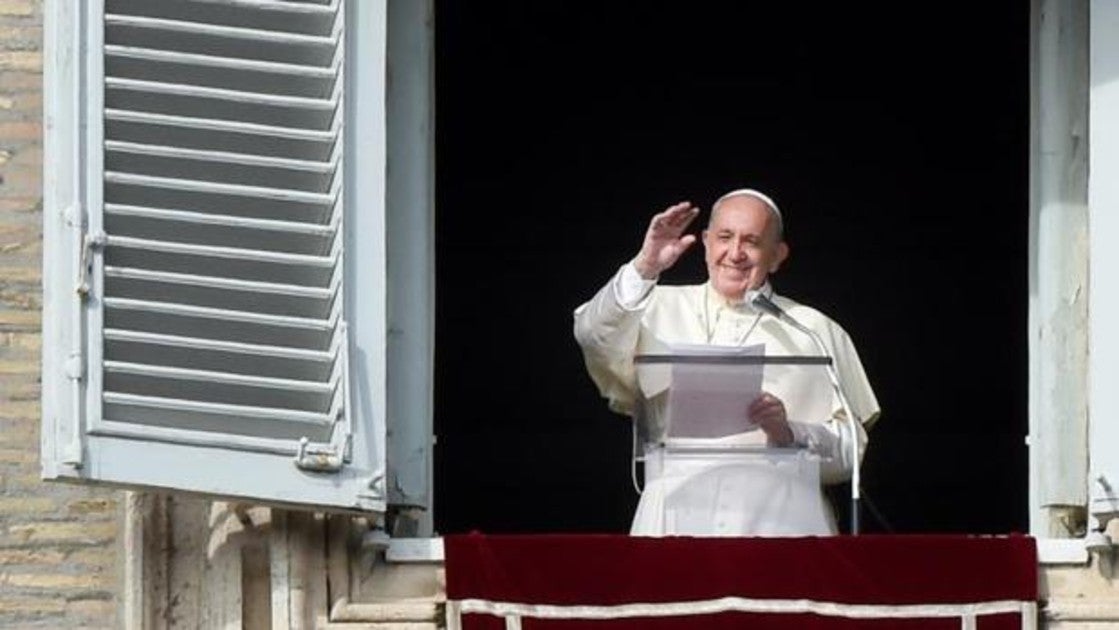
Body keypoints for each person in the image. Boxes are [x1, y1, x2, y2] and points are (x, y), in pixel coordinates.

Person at [573, 189, 880, 536]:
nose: (735, 254)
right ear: (705, 242)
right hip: (673, 520)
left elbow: (850, 456)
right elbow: (592, 334)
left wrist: (789, 431)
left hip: (783, 526)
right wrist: (646, 265)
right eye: (724, 237)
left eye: (751, 241)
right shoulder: (652, 306)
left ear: (777, 255)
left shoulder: (814, 330)